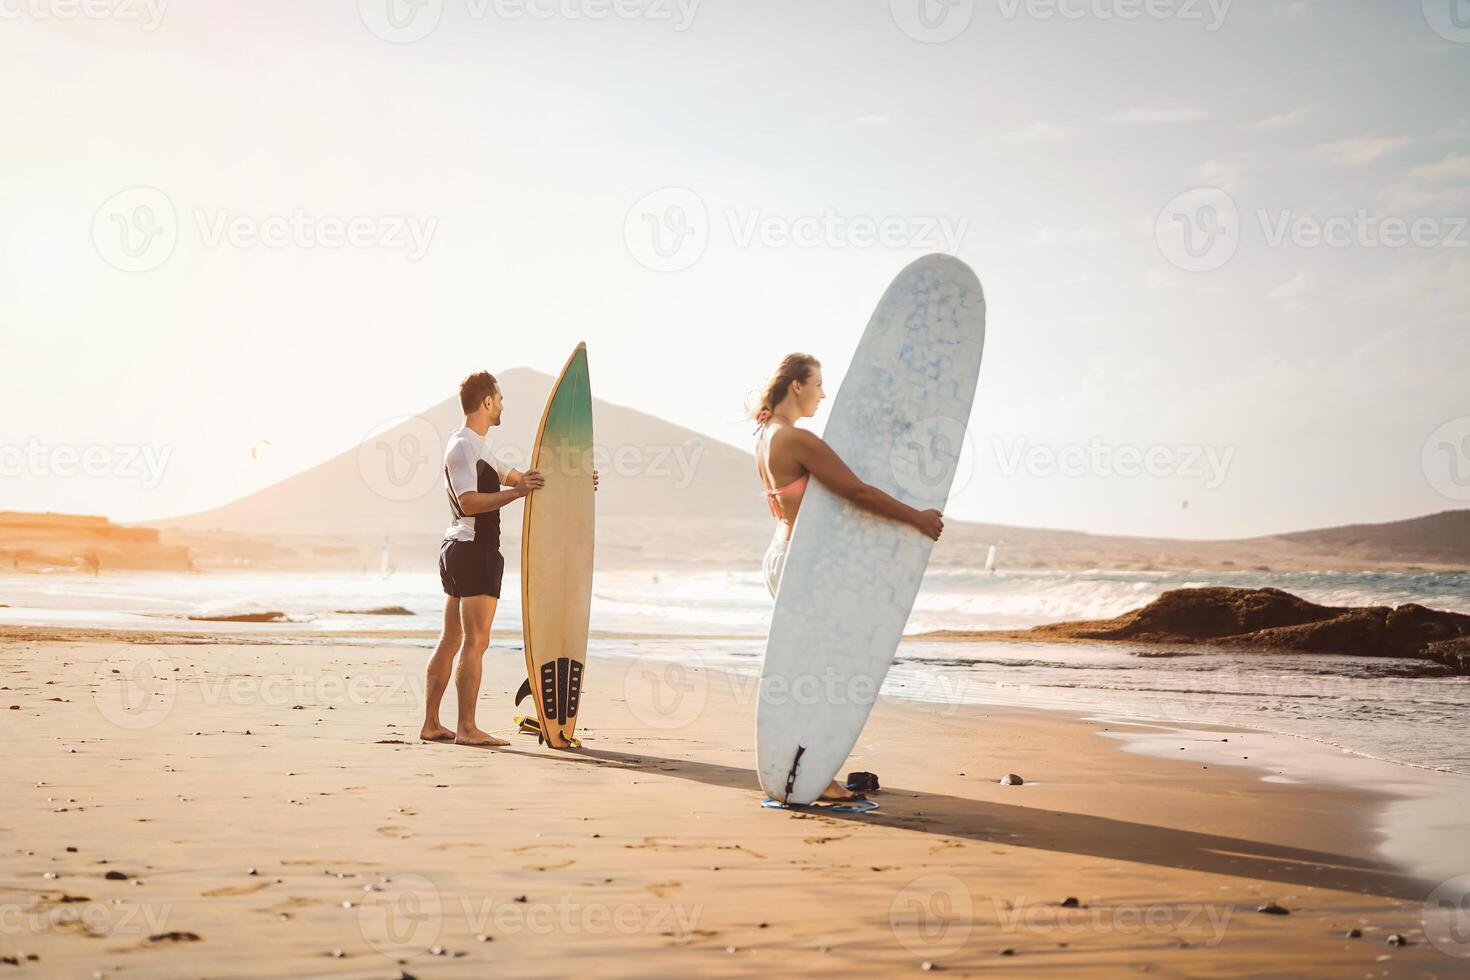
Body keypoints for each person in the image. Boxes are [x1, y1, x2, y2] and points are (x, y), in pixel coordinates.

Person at [752, 353, 945, 799]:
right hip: (800, 567)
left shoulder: (766, 436)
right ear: (796, 386)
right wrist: (914, 517)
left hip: (782, 555)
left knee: (810, 668)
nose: (824, 393)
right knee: (820, 672)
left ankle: (801, 766)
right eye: (818, 384)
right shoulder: (795, 439)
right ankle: (813, 774)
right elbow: (855, 490)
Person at [421, 371, 543, 747]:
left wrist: (575, 484)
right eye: (500, 399)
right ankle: (467, 729)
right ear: (487, 402)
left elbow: (518, 478)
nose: (503, 405)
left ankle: (431, 724)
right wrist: (515, 495)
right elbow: (469, 502)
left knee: (453, 637)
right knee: (476, 641)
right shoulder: (462, 446)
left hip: (461, 549)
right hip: (473, 550)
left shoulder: (478, 446)